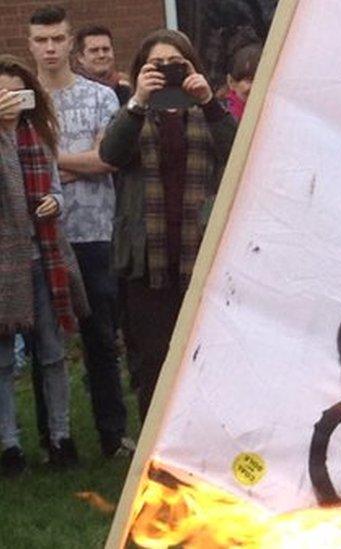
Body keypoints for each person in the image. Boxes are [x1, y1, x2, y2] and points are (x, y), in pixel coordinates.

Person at [100, 29, 237, 419]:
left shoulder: (207, 111)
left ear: (191, 64)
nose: (166, 72)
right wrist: (140, 100)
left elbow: (238, 151)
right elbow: (111, 153)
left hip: (202, 256)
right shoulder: (131, 112)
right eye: (155, 65)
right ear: (141, 70)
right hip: (148, 261)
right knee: (153, 363)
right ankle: (152, 449)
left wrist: (207, 101)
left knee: (207, 358)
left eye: (175, 64)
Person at [28, 6, 132, 459]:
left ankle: (113, 434)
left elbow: (106, 159)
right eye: (41, 40)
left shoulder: (99, 99)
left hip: (93, 232)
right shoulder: (20, 102)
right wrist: (74, 164)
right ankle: (53, 438)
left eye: (57, 39)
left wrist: (47, 166)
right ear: (29, 43)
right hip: (39, 239)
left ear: (71, 43)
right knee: (42, 343)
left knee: (100, 338)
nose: (50, 48)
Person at [0, 54, 88, 475]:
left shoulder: (38, 135)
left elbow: (56, 189)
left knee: (52, 354)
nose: (9, 100)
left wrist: (56, 201)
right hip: (4, 267)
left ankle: (61, 436)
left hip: (46, 257)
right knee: (2, 361)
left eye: (15, 92)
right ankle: (9, 445)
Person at [73, 24, 132, 106]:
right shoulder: (73, 91)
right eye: (94, 50)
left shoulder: (126, 89)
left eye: (106, 49)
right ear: (80, 57)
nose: (101, 55)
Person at [224, 44, 261, 122]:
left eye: (259, 80)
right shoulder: (222, 115)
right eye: (249, 80)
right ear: (231, 82)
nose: (254, 87)